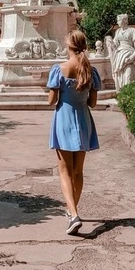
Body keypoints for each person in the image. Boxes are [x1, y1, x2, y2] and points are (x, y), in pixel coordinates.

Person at [47, 30, 101, 235]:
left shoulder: (59, 69)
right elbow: (93, 103)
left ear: (68, 46)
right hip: (83, 121)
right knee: (78, 171)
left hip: (63, 119)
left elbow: (52, 101)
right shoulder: (90, 70)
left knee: (64, 171)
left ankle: (73, 214)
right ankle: (72, 213)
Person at [105, 13, 135, 93]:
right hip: (120, 56)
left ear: (124, 21)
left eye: (119, 20)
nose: (117, 22)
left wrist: (132, 57)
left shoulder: (133, 31)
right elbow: (115, 45)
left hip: (129, 55)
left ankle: (130, 95)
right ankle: (123, 95)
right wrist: (110, 41)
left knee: (128, 77)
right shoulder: (118, 31)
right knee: (120, 78)